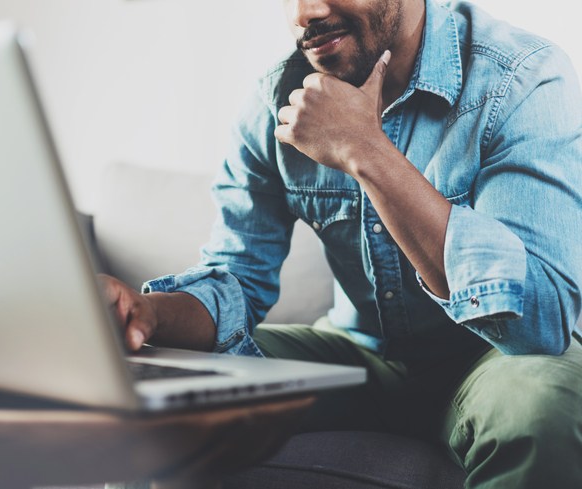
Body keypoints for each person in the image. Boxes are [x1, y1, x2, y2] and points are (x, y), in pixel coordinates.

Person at [102, 0, 582, 487]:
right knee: (157, 384)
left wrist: (366, 150)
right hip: (359, 352)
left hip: (493, 359)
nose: (305, 12)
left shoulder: (520, 78)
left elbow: (541, 321)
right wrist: (150, 313)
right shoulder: (277, 98)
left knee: (541, 405)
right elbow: (236, 279)